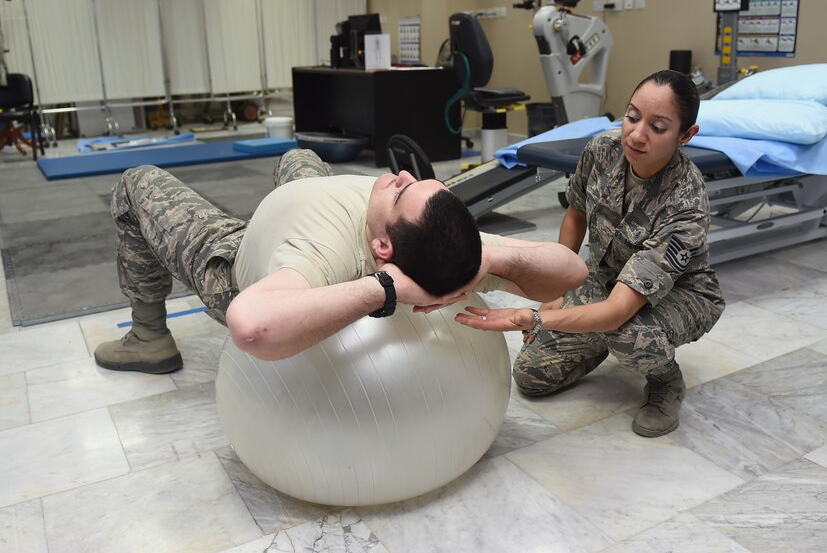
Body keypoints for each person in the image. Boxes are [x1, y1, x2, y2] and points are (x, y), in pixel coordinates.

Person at [94, 149, 588, 373]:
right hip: (304, 209)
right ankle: (299, 172)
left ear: (382, 249)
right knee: (298, 156)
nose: (400, 175)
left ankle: (148, 338)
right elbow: (573, 270)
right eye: (418, 183)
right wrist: (489, 257)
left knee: (137, 181)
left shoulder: (322, 254)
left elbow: (252, 326)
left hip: (235, 254)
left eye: (402, 192)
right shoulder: (451, 240)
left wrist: (387, 288)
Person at [455, 70, 726, 438]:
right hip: (606, 277)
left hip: (682, 293)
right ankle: (595, 334)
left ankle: (665, 380)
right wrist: (556, 288)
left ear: (685, 135)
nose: (636, 135)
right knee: (532, 377)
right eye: (632, 117)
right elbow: (576, 214)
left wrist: (536, 318)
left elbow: (618, 311)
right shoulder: (602, 150)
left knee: (627, 332)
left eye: (658, 127)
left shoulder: (686, 202)